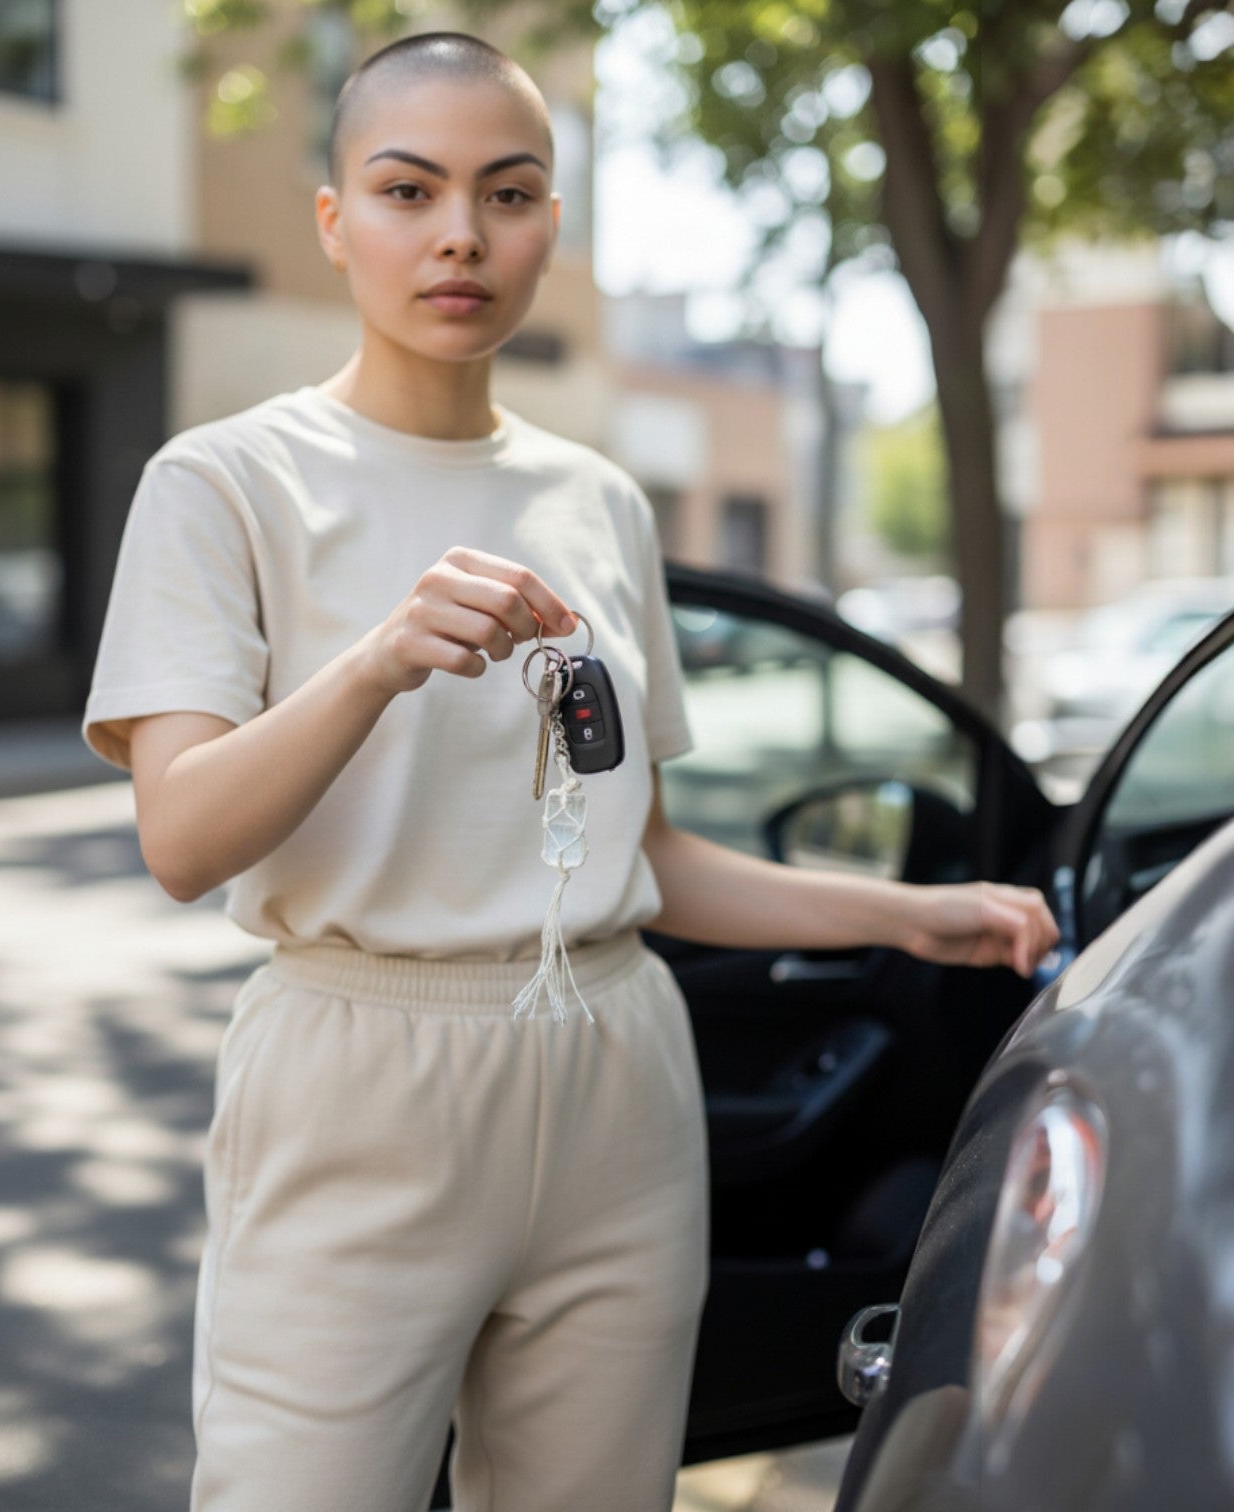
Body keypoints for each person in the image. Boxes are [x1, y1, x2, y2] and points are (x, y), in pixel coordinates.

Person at [80, 30, 1059, 1512]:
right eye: (408, 190)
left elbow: (646, 858)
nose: (461, 233)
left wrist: (907, 917)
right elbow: (181, 837)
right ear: (337, 220)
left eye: (510, 192)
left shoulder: (596, 497)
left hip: (617, 1077)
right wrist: (377, 661)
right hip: (358, 1074)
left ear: (552, 224)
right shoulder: (223, 483)